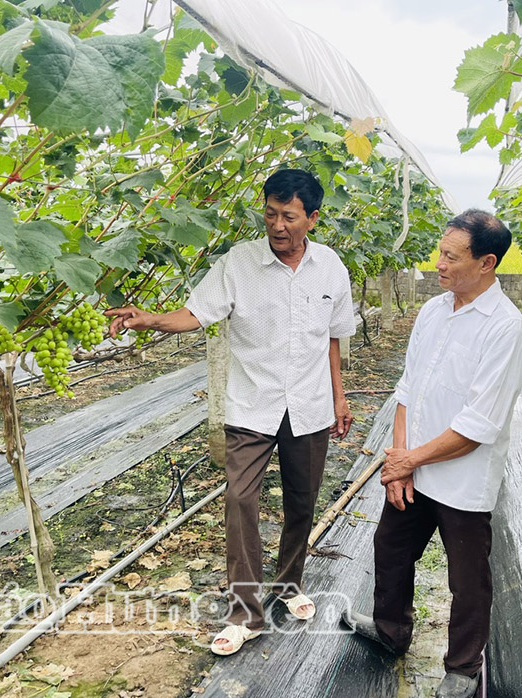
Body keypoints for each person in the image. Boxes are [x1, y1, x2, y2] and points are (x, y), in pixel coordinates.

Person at [106, 168, 355, 656]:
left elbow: (332, 337)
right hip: (253, 404)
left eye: (288, 216)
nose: (277, 225)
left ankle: (288, 584)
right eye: (270, 214)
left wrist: (339, 396)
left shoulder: (332, 268)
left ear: (313, 218)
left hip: (309, 405)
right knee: (240, 501)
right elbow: (196, 313)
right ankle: (246, 613)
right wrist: (151, 319)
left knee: (302, 503)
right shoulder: (238, 264)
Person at [341, 210, 522, 698]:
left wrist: (410, 460)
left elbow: (476, 427)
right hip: (414, 468)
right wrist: (400, 459)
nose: (439, 263)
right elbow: (409, 391)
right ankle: (390, 631)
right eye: (440, 252)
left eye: (451, 256)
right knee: (392, 548)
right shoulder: (432, 311)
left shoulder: (505, 329)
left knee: (467, 578)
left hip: (462, 478)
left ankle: (463, 668)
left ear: (486, 263)